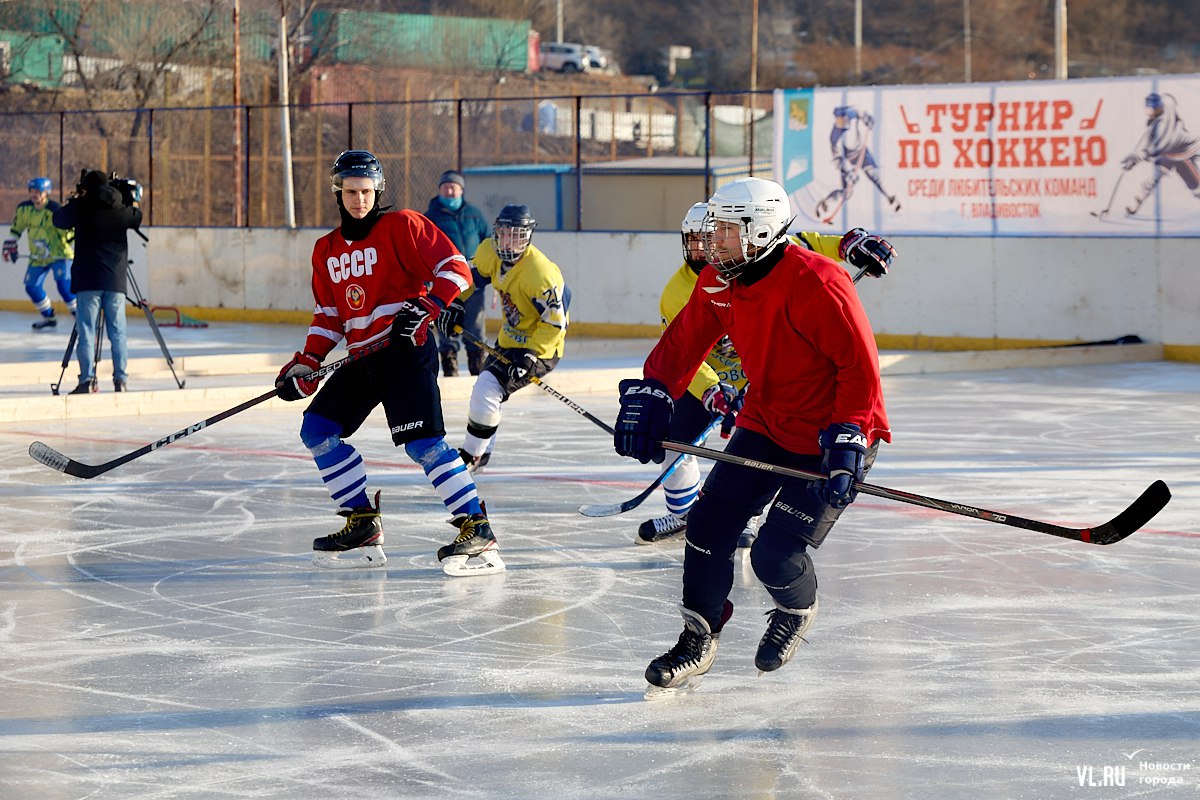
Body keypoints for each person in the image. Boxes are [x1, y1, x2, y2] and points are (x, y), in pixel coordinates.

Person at [613, 176, 891, 698]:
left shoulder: (819, 281)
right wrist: (654, 393)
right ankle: (698, 637)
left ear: (760, 231)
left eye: (724, 232)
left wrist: (851, 433)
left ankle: (794, 608)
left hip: (834, 434)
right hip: (766, 423)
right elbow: (680, 346)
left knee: (773, 557)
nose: (712, 244)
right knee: (708, 526)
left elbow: (860, 369)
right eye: (712, 231)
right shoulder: (718, 283)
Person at [274, 150, 503, 576]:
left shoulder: (402, 225)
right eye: (350, 192)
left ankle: (478, 527)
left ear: (376, 191)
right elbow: (329, 317)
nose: (359, 200)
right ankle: (361, 523)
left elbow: (456, 268)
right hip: (363, 358)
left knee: (424, 445)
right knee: (317, 429)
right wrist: (305, 364)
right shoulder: (325, 250)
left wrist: (430, 305)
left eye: (366, 192)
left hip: (405, 353)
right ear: (338, 193)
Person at [637, 203, 895, 549]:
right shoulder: (679, 291)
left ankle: (749, 512)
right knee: (675, 432)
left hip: (758, 373)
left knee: (756, 440)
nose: (708, 247)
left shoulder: (761, 251)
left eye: (713, 236)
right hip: (712, 377)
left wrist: (849, 243)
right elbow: (683, 352)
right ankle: (685, 511)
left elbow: (807, 242)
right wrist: (712, 389)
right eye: (697, 241)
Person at [456, 204, 568, 471]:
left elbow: (555, 324)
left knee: (486, 390)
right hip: (508, 341)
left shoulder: (541, 273)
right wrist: (452, 304)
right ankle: (481, 452)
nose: (507, 241)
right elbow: (469, 280)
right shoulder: (488, 252)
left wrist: (532, 354)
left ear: (527, 237)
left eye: (515, 235)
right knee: (487, 392)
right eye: (503, 233)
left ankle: (472, 456)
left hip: (541, 349)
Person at [52, 169, 142, 394]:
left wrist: (77, 199)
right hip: (115, 280)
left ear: (87, 187)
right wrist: (132, 198)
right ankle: (120, 380)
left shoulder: (82, 208)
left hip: (88, 280)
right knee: (118, 332)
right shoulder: (122, 210)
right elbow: (137, 216)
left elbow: (58, 219)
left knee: (86, 331)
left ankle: (87, 380)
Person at [424, 170, 491, 377]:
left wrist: (490, 271)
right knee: (447, 323)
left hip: (473, 279)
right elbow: (423, 250)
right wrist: (427, 282)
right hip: (445, 280)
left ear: (462, 190)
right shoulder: (430, 217)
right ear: (439, 190)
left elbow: (488, 242)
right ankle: (449, 362)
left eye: (454, 187)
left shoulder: (474, 214)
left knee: (475, 322)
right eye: (446, 187)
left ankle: (477, 365)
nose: (450, 190)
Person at [4, 177, 76, 331]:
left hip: (60, 254)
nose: (33, 194)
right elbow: (17, 228)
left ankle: (82, 318)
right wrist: (10, 244)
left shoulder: (55, 210)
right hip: (38, 256)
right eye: (31, 191)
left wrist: (79, 249)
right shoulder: (24, 209)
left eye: (38, 191)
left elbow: (69, 233)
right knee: (31, 287)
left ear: (46, 193)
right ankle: (49, 317)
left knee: (63, 285)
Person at [1122, 92, 1200, 216]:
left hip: (1183, 154)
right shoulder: (1153, 122)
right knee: (1151, 180)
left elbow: (1160, 145)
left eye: (1153, 107)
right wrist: (1136, 158)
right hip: (1168, 156)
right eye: (1148, 107)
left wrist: (1139, 157)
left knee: (1197, 189)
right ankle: (1135, 206)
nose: (1150, 110)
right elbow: (1151, 145)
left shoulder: (1166, 119)